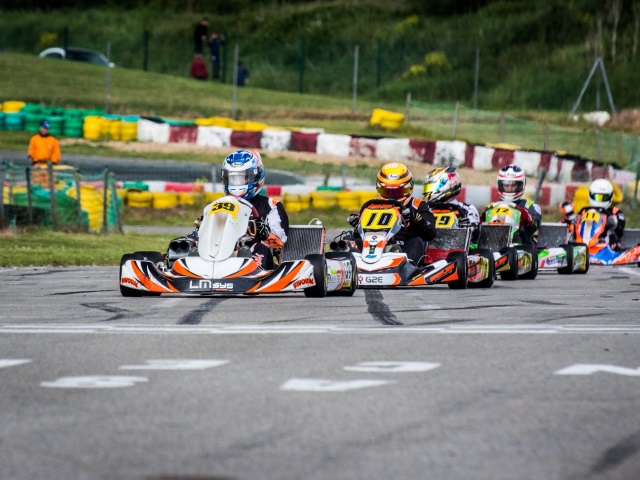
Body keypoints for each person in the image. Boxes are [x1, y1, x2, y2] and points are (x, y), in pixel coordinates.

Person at [347, 162, 436, 265]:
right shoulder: (371, 206)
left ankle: (403, 264)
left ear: (409, 188)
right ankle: (353, 263)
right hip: (373, 248)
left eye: (397, 192)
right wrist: (357, 225)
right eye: (388, 192)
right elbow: (360, 235)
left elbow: (431, 232)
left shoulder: (418, 205)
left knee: (417, 241)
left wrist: (416, 217)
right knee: (355, 241)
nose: (392, 197)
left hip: (404, 249)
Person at [220, 149, 289, 269]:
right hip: (224, 252)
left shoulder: (271, 205)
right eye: (233, 179)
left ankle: (252, 273)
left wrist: (265, 232)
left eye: (243, 178)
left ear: (257, 176)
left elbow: (279, 241)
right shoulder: (221, 205)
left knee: (259, 246)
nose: (237, 184)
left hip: (255, 256)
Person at [480, 164, 541, 246]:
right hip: (494, 245)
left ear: (521, 185)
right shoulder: (492, 207)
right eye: (506, 185)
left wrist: (527, 217)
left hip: (522, 247)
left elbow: (535, 224)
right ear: (500, 185)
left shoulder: (530, 205)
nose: (509, 189)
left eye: (513, 185)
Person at [422, 166, 480, 241]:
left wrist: (466, 227)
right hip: (427, 248)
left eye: (430, 187)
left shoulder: (467, 209)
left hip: (458, 248)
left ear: (446, 185)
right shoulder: (425, 209)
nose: (428, 192)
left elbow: (474, 234)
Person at [584, 178, 625, 250]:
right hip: (585, 246)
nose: (599, 201)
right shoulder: (585, 211)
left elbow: (620, 230)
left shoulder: (615, 212)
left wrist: (612, 221)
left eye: (603, 198)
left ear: (610, 197)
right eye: (597, 197)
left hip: (608, 247)